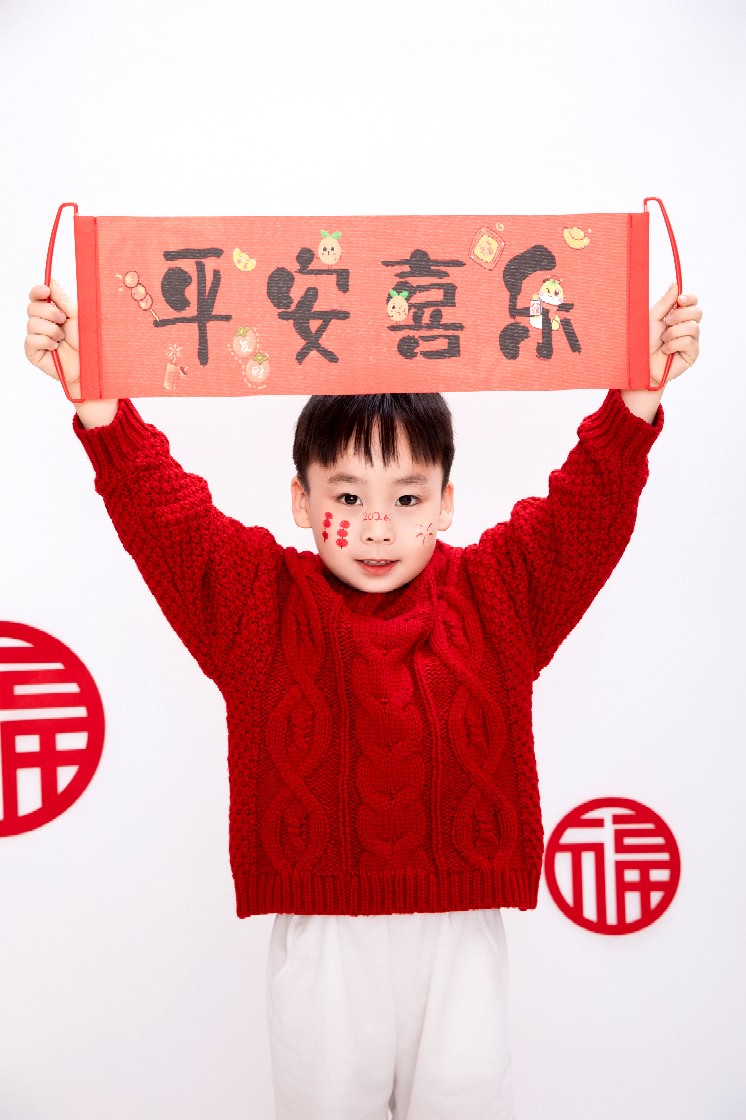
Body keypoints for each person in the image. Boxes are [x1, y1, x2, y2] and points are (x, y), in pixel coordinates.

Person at [24, 279, 701, 1120]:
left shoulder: (498, 596)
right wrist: (99, 408)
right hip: (325, 947)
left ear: (445, 503)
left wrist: (635, 404)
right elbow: (167, 516)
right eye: (348, 497)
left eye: (406, 498)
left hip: (459, 937)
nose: (378, 526)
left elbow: (584, 512)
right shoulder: (258, 605)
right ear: (302, 501)